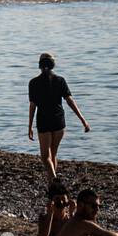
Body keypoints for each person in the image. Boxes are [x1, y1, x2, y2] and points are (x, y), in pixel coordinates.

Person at [28, 52, 90, 180]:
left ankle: (55, 182)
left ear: (39, 65)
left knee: (46, 157)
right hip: (58, 121)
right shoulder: (60, 80)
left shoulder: (33, 83)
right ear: (53, 65)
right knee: (53, 154)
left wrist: (29, 126)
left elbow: (32, 106)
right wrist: (83, 120)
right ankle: (52, 184)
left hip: (44, 121)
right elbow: (70, 101)